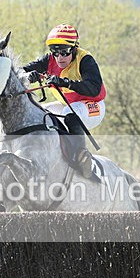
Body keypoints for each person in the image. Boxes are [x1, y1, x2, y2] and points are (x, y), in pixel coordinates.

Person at [22, 24, 106, 179]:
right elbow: (21, 71)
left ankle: (82, 157)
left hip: (93, 106)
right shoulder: (48, 60)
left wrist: (66, 83)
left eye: (64, 52)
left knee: (69, 114)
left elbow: (94, 89)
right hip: (68, 104)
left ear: (74, 49)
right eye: (55, 52)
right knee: (40, 114)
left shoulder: (85, 60)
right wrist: (28, 76)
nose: (59, 58)